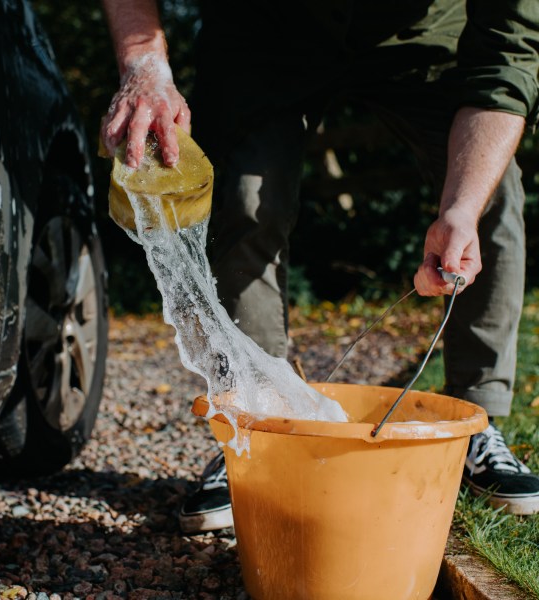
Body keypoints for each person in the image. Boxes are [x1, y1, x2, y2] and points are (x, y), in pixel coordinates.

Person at [100, 0, 539, 532]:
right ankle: (255, 429)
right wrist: (144, 61)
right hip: (267, 28)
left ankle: (474, 423)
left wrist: (461, 208)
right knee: (244, 199)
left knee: (491, 191)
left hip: (423, 30)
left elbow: (505, 59)